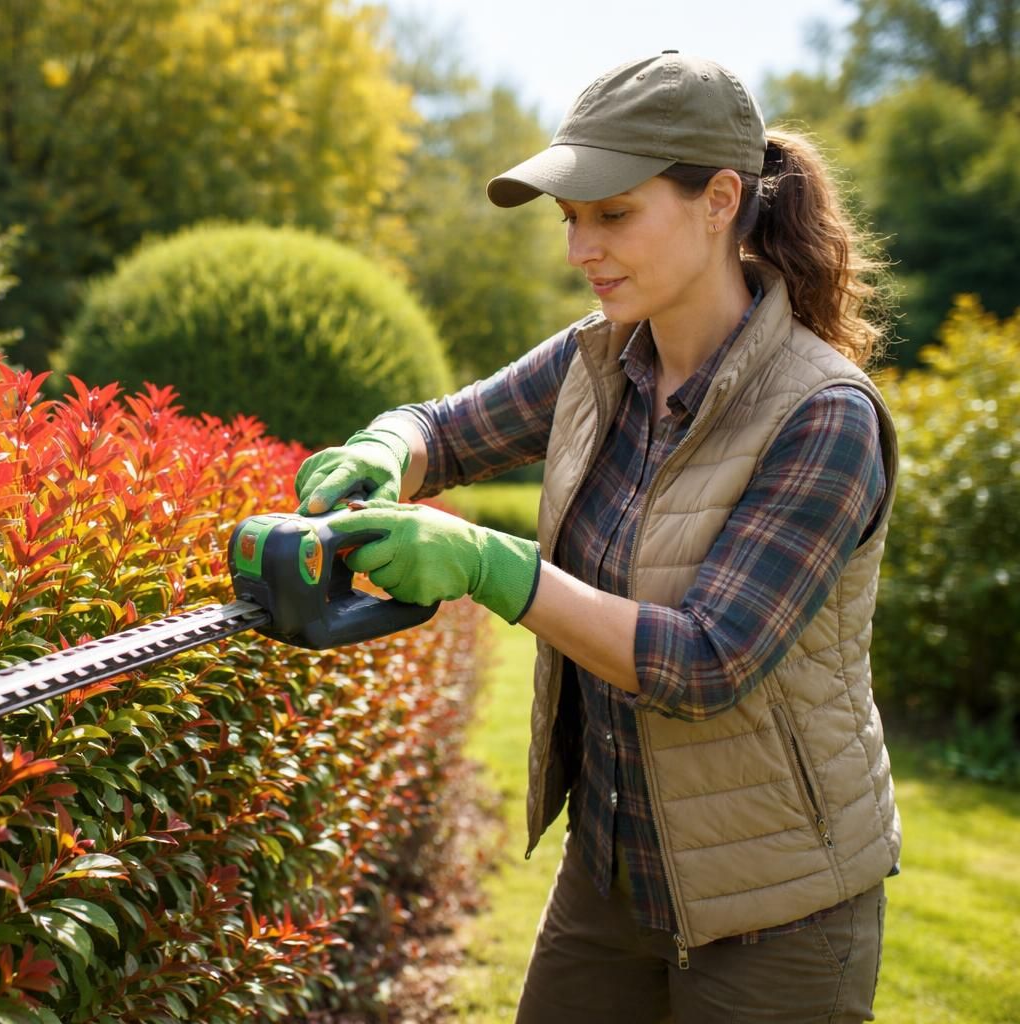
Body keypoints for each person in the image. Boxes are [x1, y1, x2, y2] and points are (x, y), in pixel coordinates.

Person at [296, 51, 900, 1023]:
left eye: (613, 213)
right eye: (572, 217)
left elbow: (708, 658)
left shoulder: (823, 414)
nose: (582, 246)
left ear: (719, 201)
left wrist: (491, 568)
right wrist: (384, 446)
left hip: (780, 903)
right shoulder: (603, 355)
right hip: (614, 871)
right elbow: (447, 427)